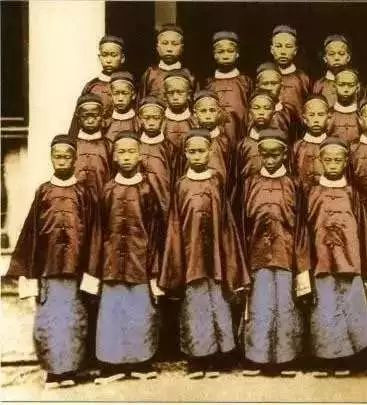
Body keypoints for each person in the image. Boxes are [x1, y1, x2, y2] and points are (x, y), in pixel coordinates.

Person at [6, 135, 101, 389]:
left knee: (73, 321)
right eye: (57, 156)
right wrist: (28, 273)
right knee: (49, 322)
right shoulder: (44, 192)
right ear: (51, 158)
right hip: (48, 271)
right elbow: (31, 233)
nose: (62, 161)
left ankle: (70, 370)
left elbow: (94, 233)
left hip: (75, 273)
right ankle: (52, 371)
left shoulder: (83, 193)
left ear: (75, 159)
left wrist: (91, 270)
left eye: (67, 156)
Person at [159, 129, 250, 379]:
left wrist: (230, 256)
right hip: (192, 257)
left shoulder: (216, 181)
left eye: (201, 151)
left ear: (210, 152)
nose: (197, 156)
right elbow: (175, 225)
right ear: (185, 153)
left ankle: (222, 355)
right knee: (195, 305)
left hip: (217, 256)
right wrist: (176, 260)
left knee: (219, 303)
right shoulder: (181, 185)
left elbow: (227, 221)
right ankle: (198, 357)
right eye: (192, 152)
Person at [88, 131, 165, 384]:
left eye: (132, 151)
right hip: (111, 265)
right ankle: (112, 366)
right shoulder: (108, 189)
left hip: (139, 263)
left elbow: (155, 231)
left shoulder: (147, 190)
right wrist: (96, 268)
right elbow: (99, 230)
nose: (127, 157)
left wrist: (154, 270)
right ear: (113, 156)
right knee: (112, 314)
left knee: (140, 314)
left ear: (140, 155)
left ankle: (141, 363)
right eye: (121, 152)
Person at [305, 137, 367, 377]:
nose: (332, 165)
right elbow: (305, 230)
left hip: (350, 260)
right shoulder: (312, 193)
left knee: (353, 307)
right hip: (323, 261)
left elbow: (363, 231)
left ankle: (355, 359)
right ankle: (329, 360)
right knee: (327, 307)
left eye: (337, 160)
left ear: (345, 161)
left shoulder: (353, 194)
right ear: (320, 161)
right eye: (328, 160)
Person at [241, 129, 309, 376]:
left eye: (275, 155)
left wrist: (301, 263)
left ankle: (285, 358)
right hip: (257, 255)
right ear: (259, 154)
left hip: (286, 255)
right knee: (260, 305)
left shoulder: (294, 184)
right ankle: (257, 357)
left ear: (285, 154)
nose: (270, 160)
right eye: (265, 155)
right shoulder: (249, 183)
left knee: (284, 305)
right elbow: (242, 223)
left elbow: (301, 226)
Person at [69, 35, 125, 136]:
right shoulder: (92, 86)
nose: (108, 60)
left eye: (113, 55)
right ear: (99, 57)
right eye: (105, 55)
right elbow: (78, 118)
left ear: (122, 58)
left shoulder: (127, 86)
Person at [204, 31, 252, 143]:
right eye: (221, 52)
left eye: (230, 51)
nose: (225, 56)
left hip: (241, 134)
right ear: (214, 54)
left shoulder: (245, 82)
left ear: (237, 53)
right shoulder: (208, 83)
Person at [138, 96, 176, 215]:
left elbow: (174, 178)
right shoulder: (135, 145)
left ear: (163, 120)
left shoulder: (169, 148)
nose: (151, 123)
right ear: (140, 119)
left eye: (156, 118)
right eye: (147, 118)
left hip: (162, 205)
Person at [139, 24, 196, 103]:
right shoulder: (150, 73)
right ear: (157, 47)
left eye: (174, 44)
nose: (169, 49)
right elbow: (142, 102)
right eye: (165, 43)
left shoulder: (189, 74)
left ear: (182, 48)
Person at [73, 94, 113, 197]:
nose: (90, 121)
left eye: (95, 116)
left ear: (102, 115)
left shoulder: (108, 145)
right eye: (85, 116)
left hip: (101, 199)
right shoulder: (72, 144)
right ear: (78, 116)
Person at [271, 25, 311, 116]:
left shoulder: (303, 78)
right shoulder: (266, 77)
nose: (283, 51)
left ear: (295, 50)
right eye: (278, 46)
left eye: (288, 46)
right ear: (272, 50)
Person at [293, 95, 329, 194]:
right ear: (304, 118)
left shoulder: (332, 147)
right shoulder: (297, 147)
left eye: (320, 115)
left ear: (328, 117)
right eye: (312, 115)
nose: (316, 120)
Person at [255, 62, 295, 142]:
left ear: (281, 85)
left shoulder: (289, 111)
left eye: (273, 83)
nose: (269, 88)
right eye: (265, 84)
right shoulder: (252, 113)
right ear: (257, 86)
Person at [313, 35, 351, 108]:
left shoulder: (355, 84)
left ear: (348, 57)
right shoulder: (319, 84)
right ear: (325, 58)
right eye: (331, 54)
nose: (336, 58)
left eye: (341, 53)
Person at [162, 69, 194, 152]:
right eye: (170, 93)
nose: (175, 97)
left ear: (188, 94)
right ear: (165, 96)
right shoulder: (161, 122)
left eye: (180, 92)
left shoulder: (194, 121)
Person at [327, 69, 361, 143]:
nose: (346, 89)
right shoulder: (329, 114)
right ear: (334, 86)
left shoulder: (360, 115)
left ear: (357, 87)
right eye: (341, 85)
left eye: (351, 85)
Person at [105, 71, 140, 142]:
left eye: (125, 93)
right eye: (116, 93)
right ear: (110, 95)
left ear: (133, 95)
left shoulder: (137, 123)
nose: (120, 99)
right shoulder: (106, 122)